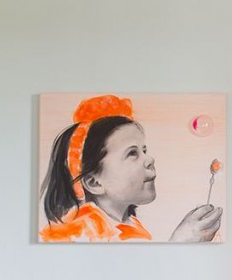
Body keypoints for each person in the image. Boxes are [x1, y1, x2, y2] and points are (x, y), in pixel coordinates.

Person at [39, 95, 222, 243]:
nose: (150, 159)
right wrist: (181, 241)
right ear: (94, 183)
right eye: (132, 153)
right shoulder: (81, 234)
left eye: (144, 150)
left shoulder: (129, 226)